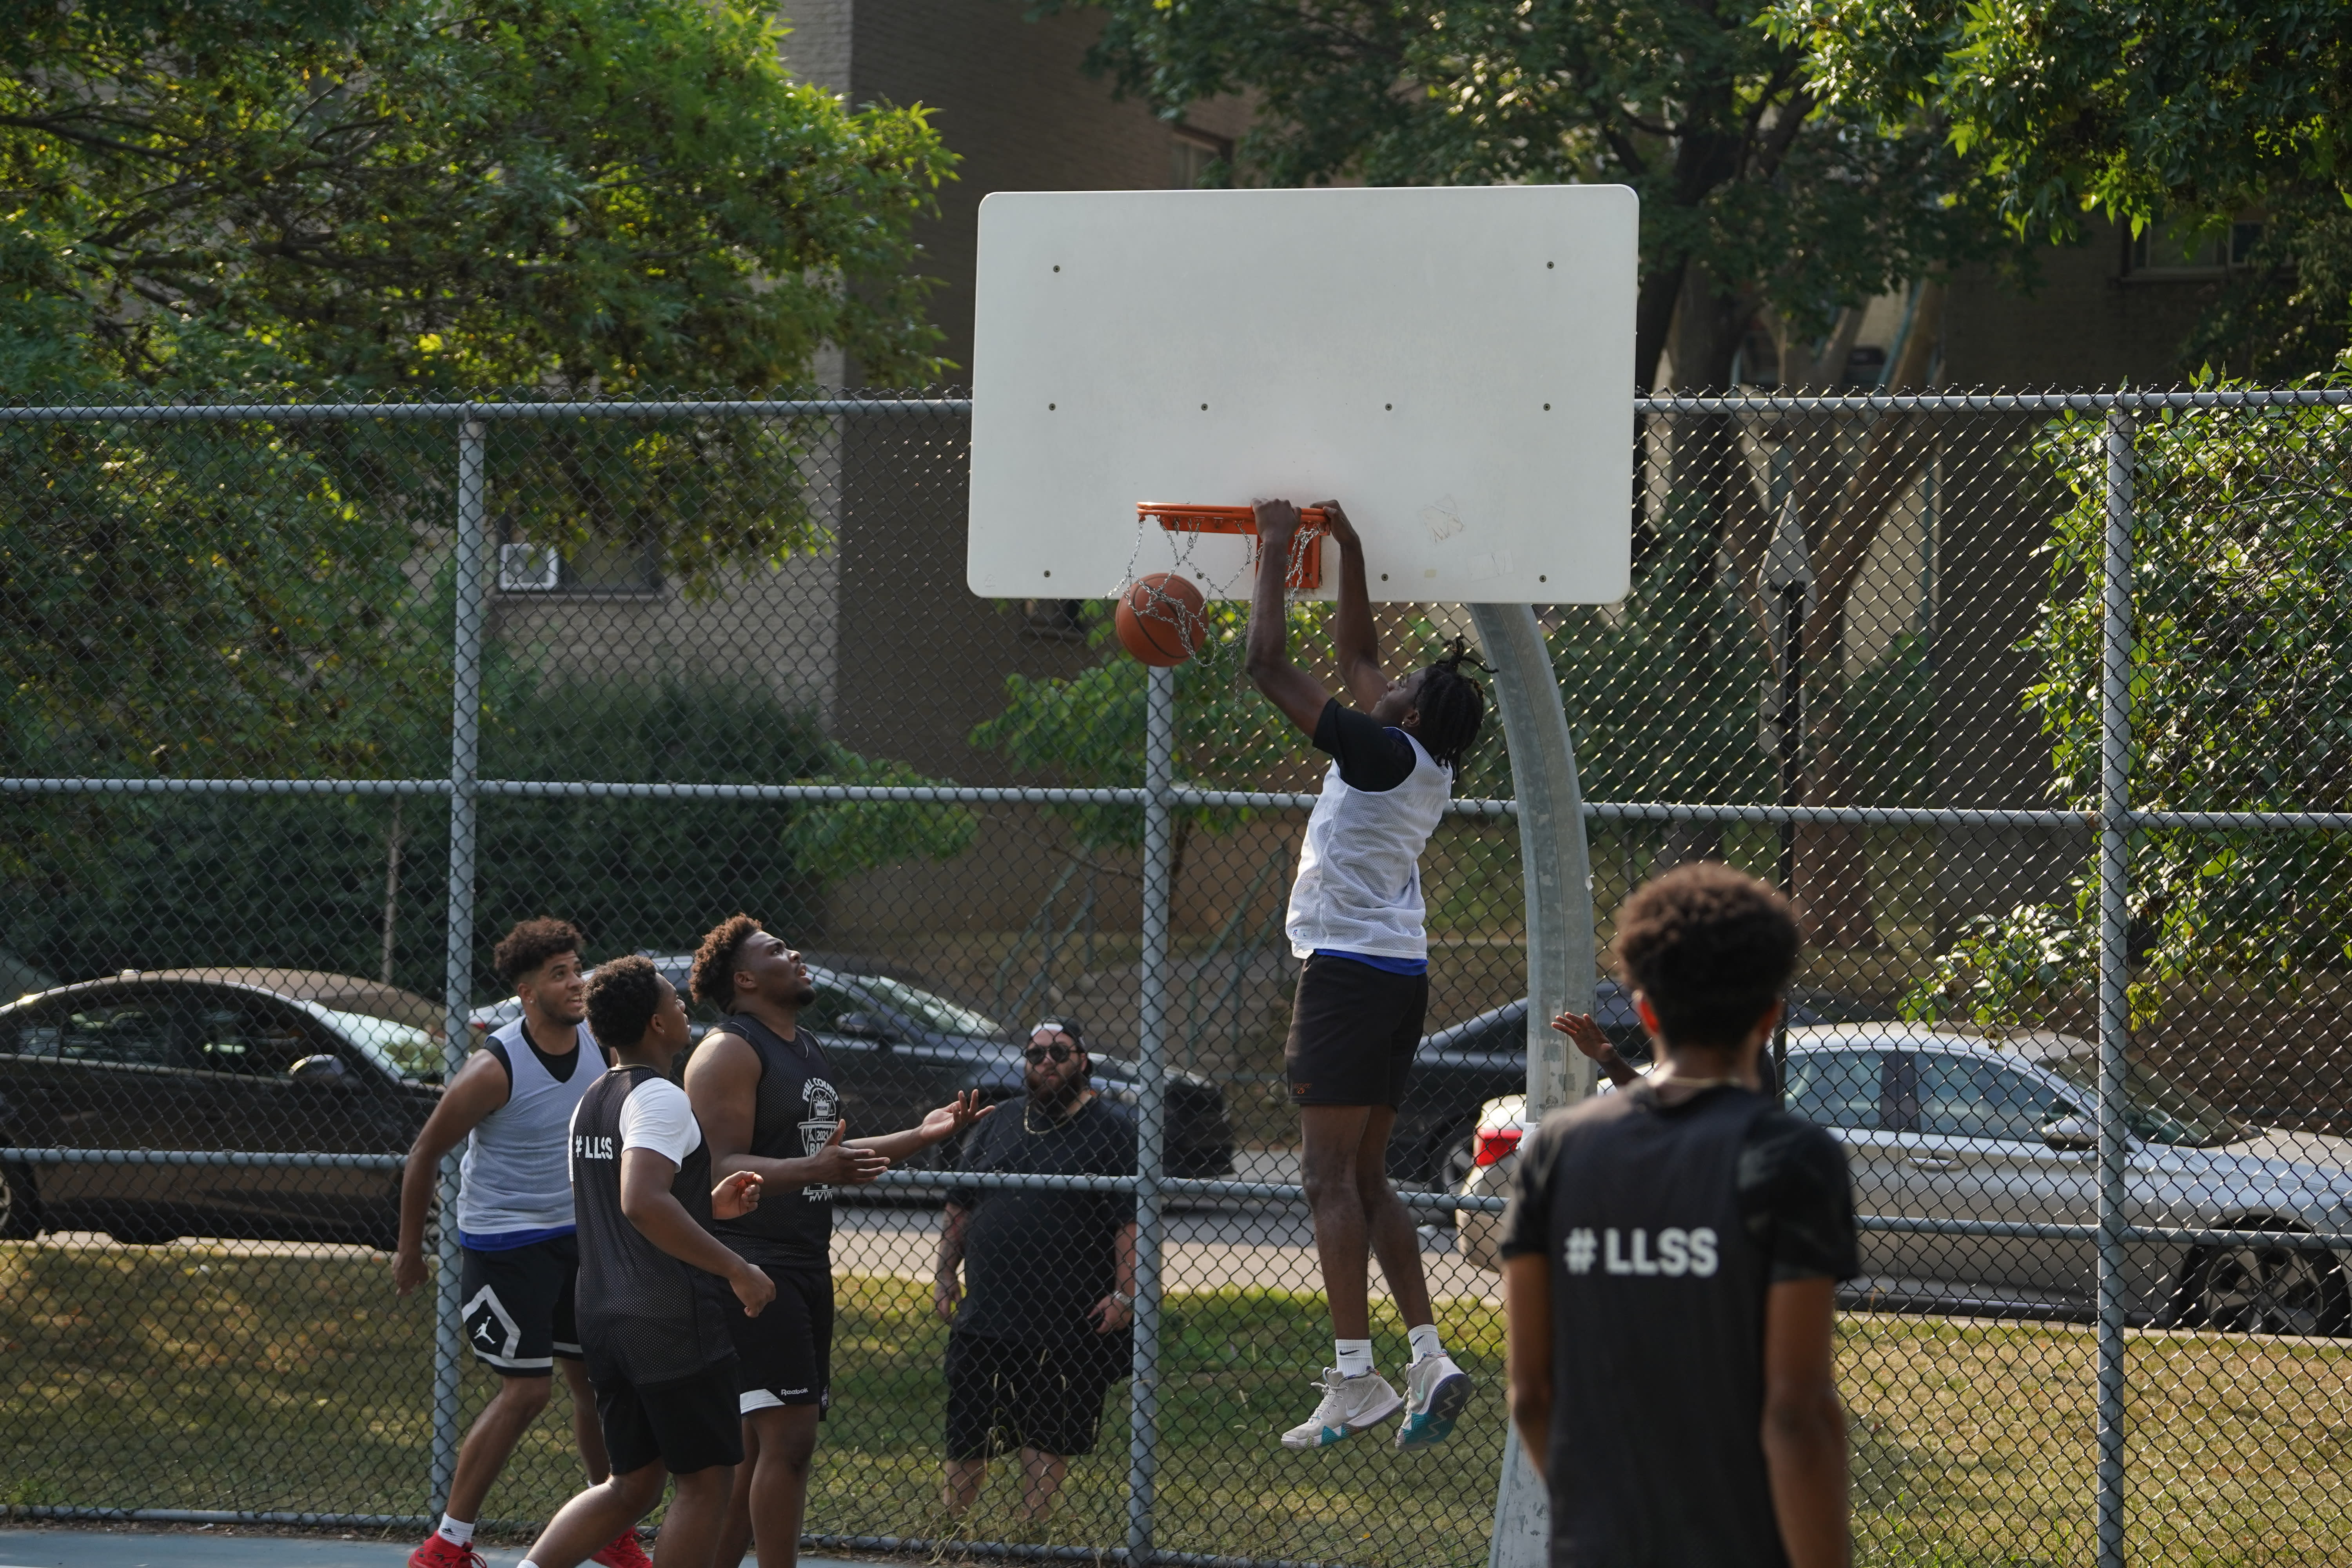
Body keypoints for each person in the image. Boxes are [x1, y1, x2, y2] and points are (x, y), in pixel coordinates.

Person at [1500, 863, 1857, 1568]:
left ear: (1646, 1012)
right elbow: (1795, 1411)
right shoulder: (1792, 1158)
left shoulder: (1558, 1154)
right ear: (1770, 1016)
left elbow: (1533, 1396)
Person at [1241, 497, 1486, 1449]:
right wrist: (1347, 550)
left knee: (1324, 1178)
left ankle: (1357, 1377)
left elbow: (1266, 664)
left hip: (1346, 974)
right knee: (1371, 1173)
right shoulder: (1419, 757)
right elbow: (1361, 660)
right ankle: (1427, 1352)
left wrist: (1272, 546)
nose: (1382, 679)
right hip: (1399, 975)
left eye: (1404, 682)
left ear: (1411, 712)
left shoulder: (1382, 751)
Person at [681, 916, 993, 1568]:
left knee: (761, 1446)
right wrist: (812, 1171)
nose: (793, 954)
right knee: (789, 1443)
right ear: (744, 979)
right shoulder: (728, 1051)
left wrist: (918, 1135)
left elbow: (824, 1156)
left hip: (804, 1262)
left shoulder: (803, 1046)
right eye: (774, 951)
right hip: (752, 1262)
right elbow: (716, 1170)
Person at [395, 919, 648, 1568]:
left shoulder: (600, 1045)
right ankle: (447, 1545)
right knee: (527, 1390)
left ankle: (607, 1527)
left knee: (591, 1382)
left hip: (578, 1239)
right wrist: (409, 1251)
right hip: (506, 1245)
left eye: (578, 968)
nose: (577, 982)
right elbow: (425, 1153)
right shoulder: (494, 1068)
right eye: (560, 974)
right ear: (527, 992)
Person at [516, 956, 777, 1568]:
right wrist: (736, 1268)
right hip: (667, 1318)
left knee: (630, 1485)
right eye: (673, 1000)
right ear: (656, 1024)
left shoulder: (594, 1100)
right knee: (706, 1483)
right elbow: (640, 1202)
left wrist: (706, 1204)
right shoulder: (659, 1096)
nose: (684, 1007)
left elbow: (627, 1203)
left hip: (604, 1316)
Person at [934, 1016, 1137, 1522]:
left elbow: (1129, 1225)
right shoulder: (999, 1121)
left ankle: (1033, 1527)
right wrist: (944, 1275)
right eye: (1036, 1054)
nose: (1047, 1063)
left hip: (1069, 1314)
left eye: (1060, 1053)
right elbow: (961, 1204)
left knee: (1052, 1423)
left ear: (1083, 1061)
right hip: (988, 1309)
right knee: (969, 1425)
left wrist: (1126, 1295)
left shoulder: (1113, 1129)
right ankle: (950, 1526)